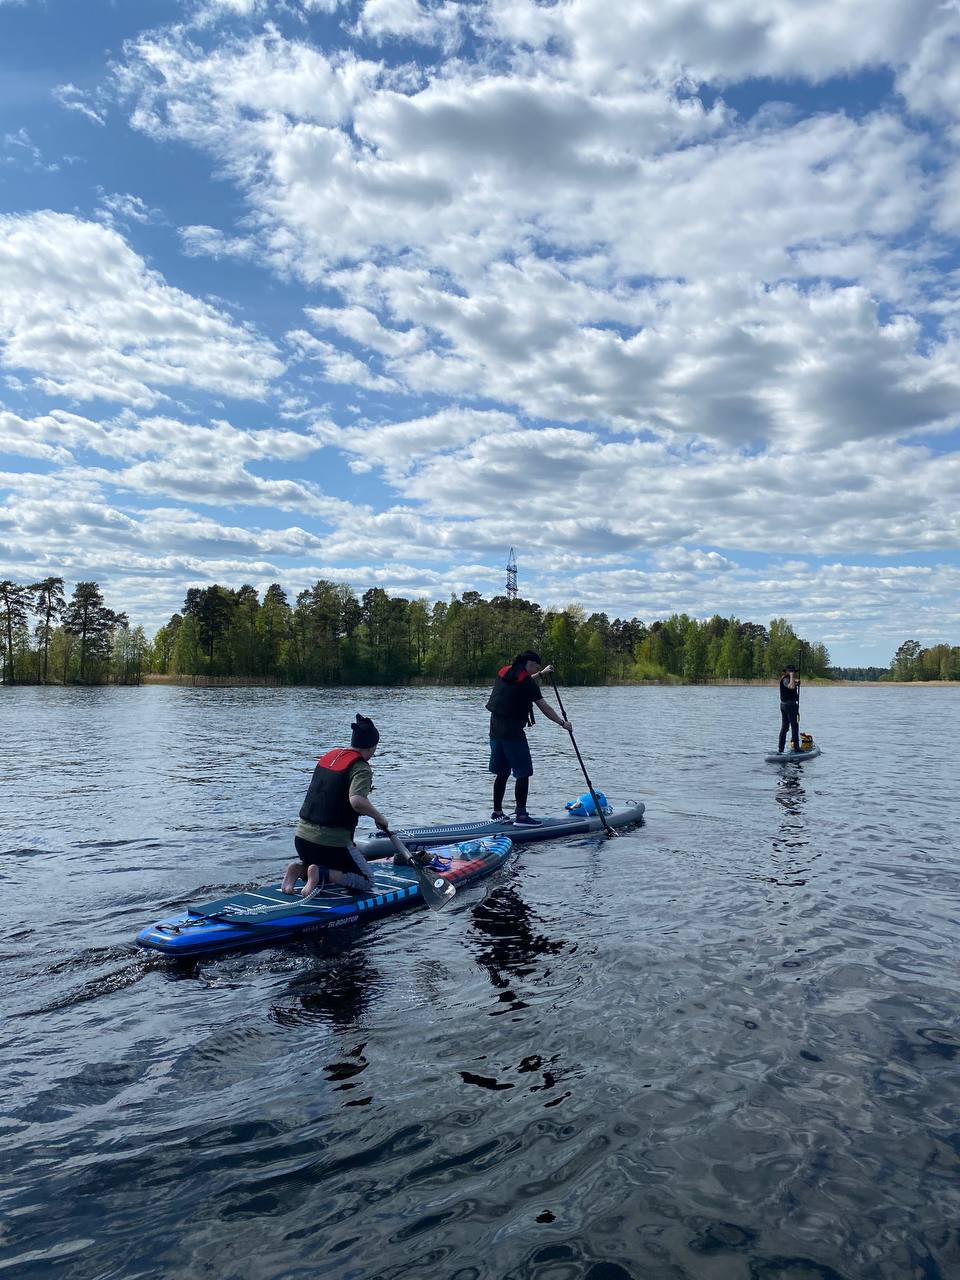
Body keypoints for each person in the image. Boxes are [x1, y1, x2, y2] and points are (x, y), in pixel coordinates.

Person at [281, 713, 389, 897]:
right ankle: (321, 874)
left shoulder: (329, 756)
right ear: (372, 747)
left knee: (319, 862)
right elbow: (357, 801)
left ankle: (299, 870)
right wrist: (379, 817)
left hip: (302, 839)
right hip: (331, 843)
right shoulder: (361, 767)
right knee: (367, 881)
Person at [486, 650, 572, 825]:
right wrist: (563, 723)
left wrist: (541, 674)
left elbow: (521, 682)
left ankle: (497, 812)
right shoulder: (527, 684)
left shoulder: (504, 672)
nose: (537, 668)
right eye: (536, 666)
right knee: (523, 772)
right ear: (529, 664)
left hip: (494, 731)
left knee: (502, 773)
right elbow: (545, 708)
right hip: (513, 733)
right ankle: (522, 816)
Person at [777, 664, 800, 754]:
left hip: (785, 705)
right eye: (791, 671)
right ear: (786, 672)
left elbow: (793, 684)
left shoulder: (787, 679)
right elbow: (791, 686)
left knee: (785, 727)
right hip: (789, 706)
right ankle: (796, 748)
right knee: (794, 727)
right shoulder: (786, 679)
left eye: (793, 671)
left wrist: (796, 681)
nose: (793, 673)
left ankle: (780, 749)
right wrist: (792, 677)